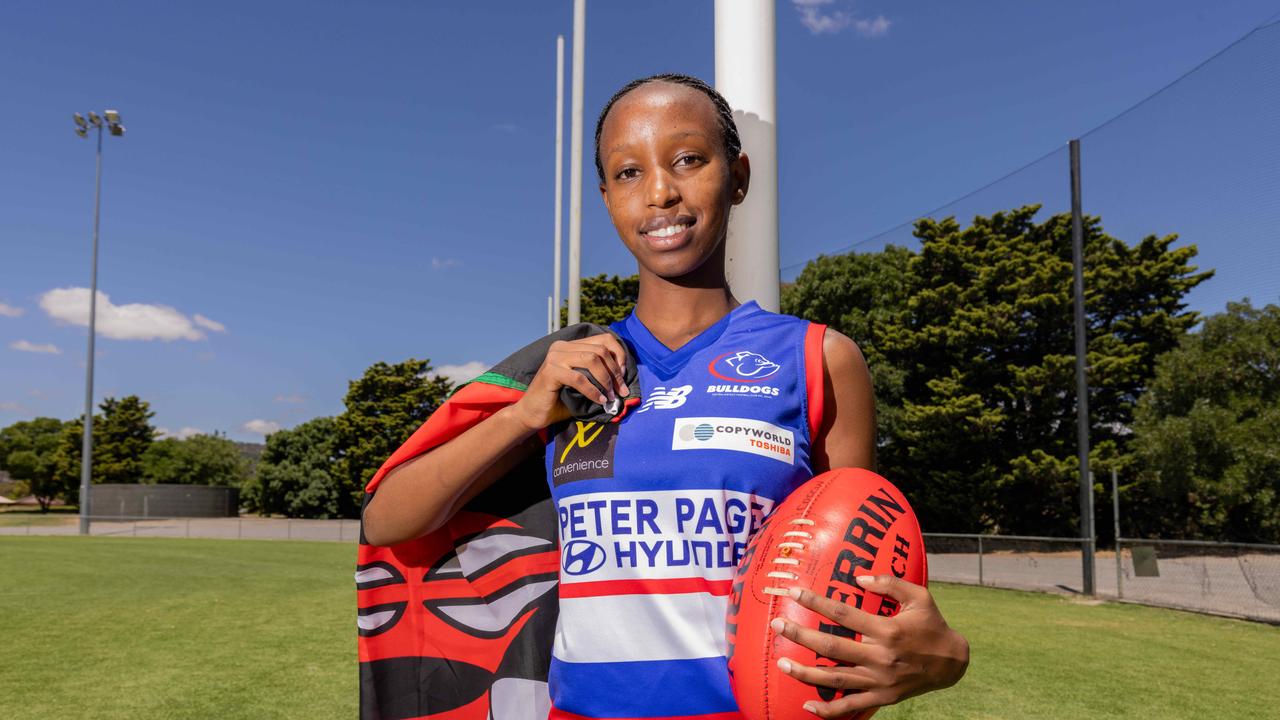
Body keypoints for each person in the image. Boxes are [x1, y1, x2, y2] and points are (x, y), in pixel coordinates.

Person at [363, 73, 968, 720]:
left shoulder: (818, 359)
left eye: (688, 159)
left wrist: (948, 657)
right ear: (606, 197)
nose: (659, 192)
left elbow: (859, 586)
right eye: (628, 173)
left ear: (738, 176)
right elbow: (387, 521)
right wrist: (524, 414)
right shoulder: (572, 370)